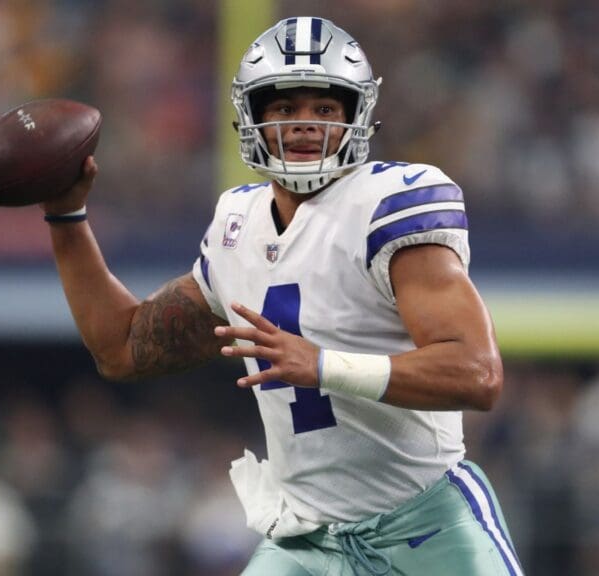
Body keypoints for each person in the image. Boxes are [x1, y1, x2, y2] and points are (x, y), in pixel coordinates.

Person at [42, 16, 523, 576]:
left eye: (324, 109)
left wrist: (323, 366)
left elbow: (477, 374)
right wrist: (66, 215)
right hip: (306, 539)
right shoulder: (237, 224)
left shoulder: (389, 204)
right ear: (253, 117)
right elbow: (122, 348)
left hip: (425, 523)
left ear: (356, 116)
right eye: (284, 107)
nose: (303, 125)